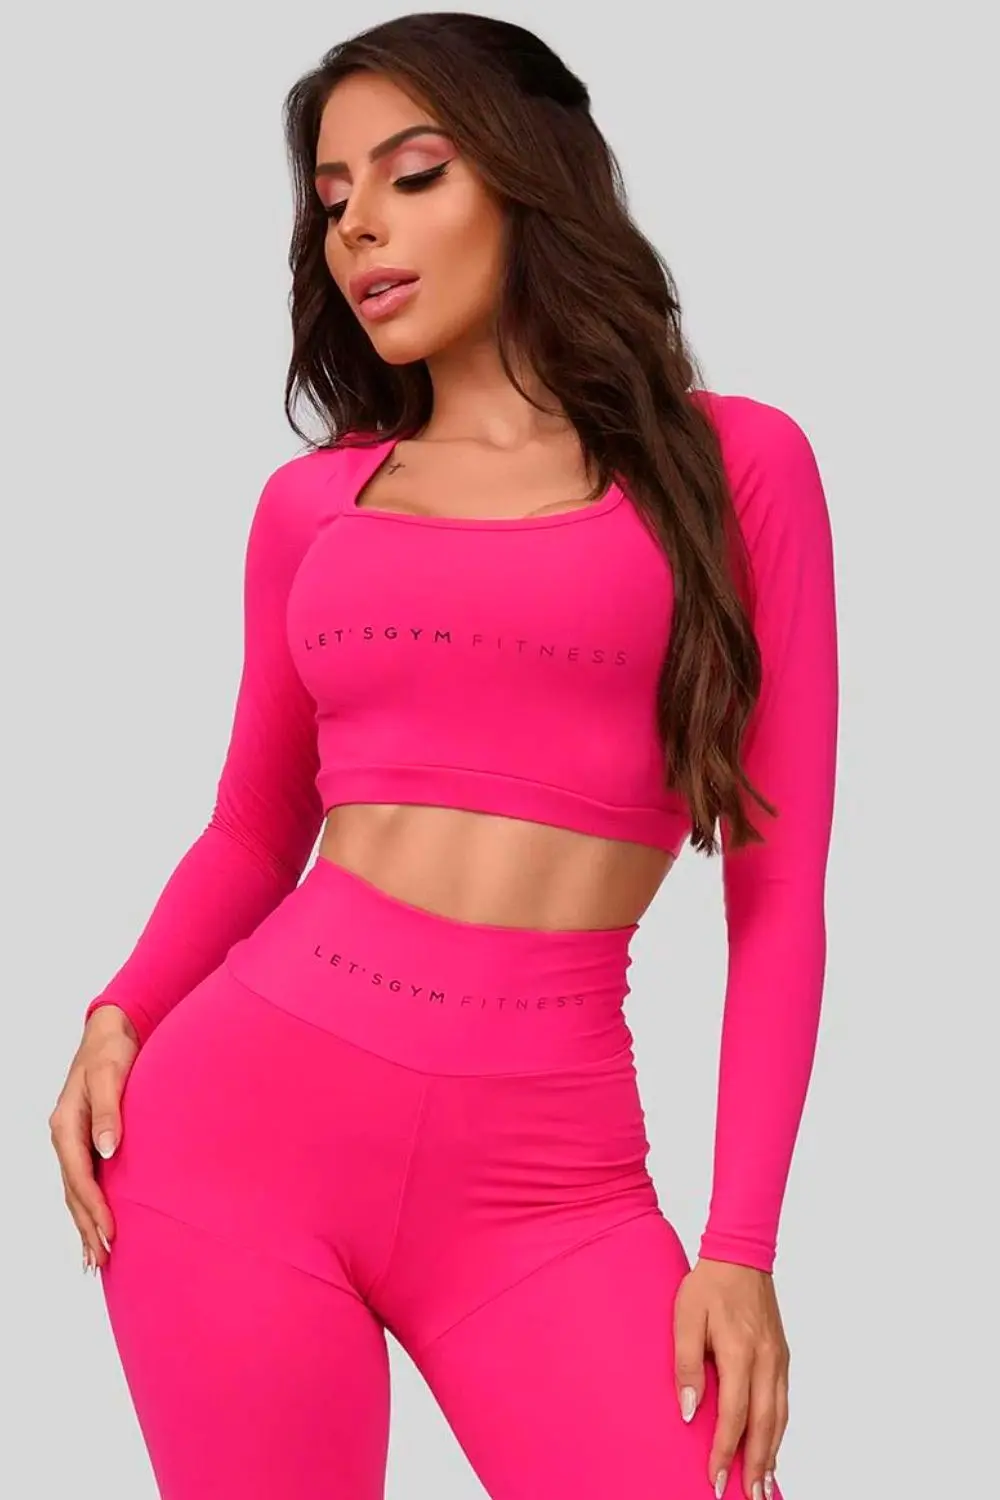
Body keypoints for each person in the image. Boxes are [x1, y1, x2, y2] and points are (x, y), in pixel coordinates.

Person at [48, 13, 838, 1500]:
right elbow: (253, 827)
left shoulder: (738, 469)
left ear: (531, 178)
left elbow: (780, 895)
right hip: (237, 1142)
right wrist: (119, 1009)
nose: (359, 227)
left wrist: (740, 1246)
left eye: (412, 175)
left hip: (552, 1182)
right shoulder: (315, 508)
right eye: (333, 198)